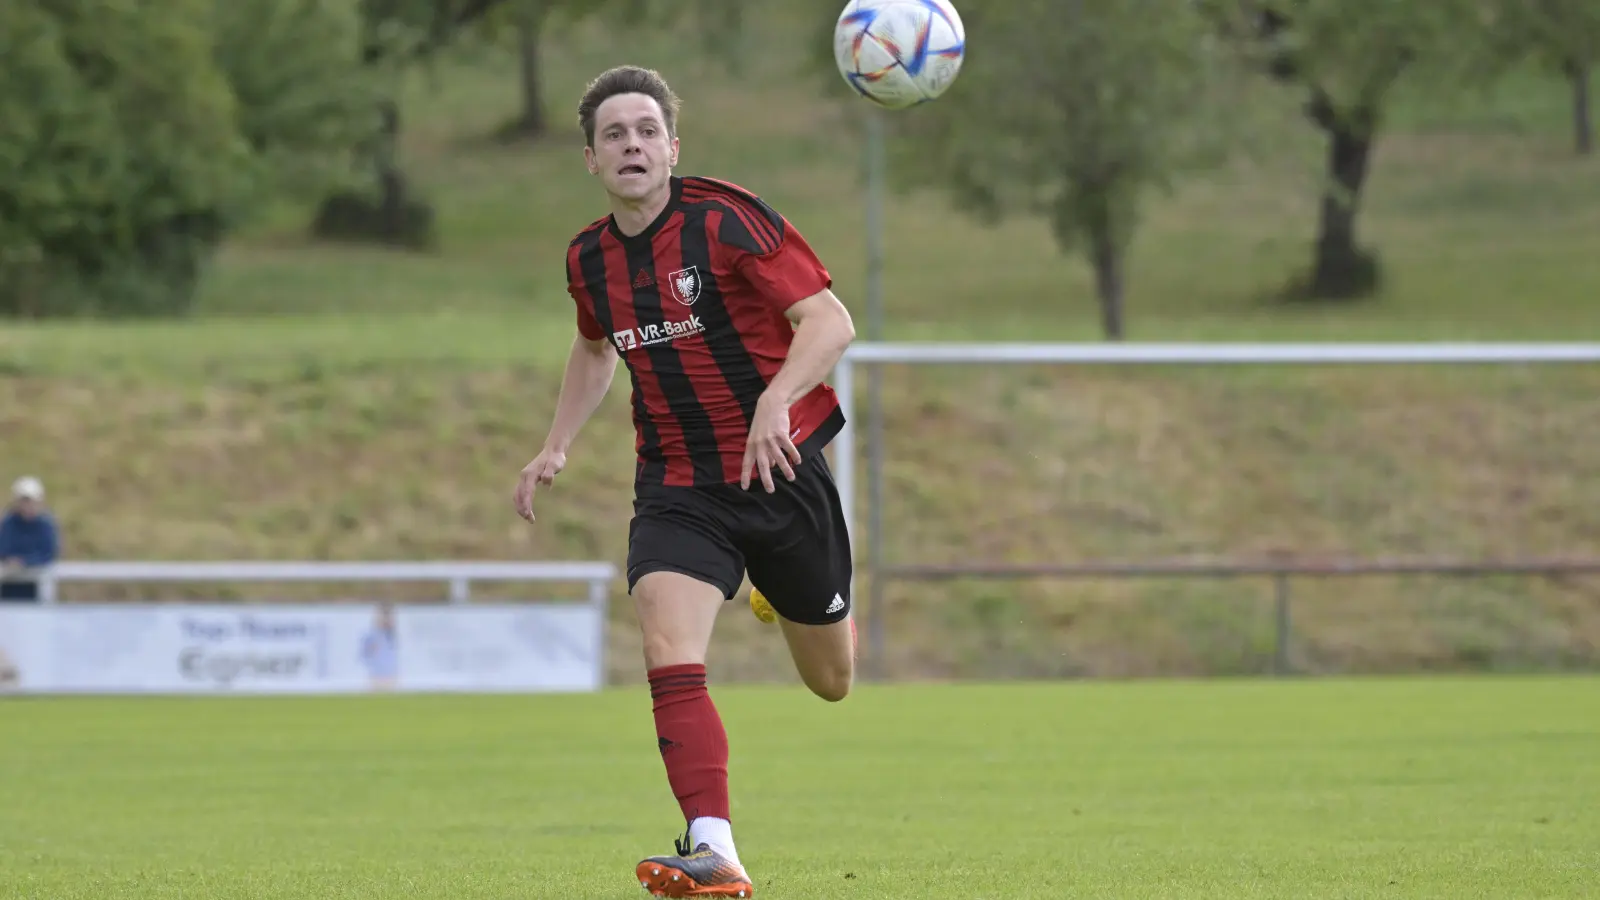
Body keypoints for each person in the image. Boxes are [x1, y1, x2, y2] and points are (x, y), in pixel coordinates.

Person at [512, 65, 858, 898]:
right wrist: (554, 443)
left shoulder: (727, 220)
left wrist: (776, 400)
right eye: (613, 134)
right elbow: (595, 349)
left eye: (645, 130)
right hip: (676, 487)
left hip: (780, 472)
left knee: (832, 681)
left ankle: (775, 591)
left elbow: (829, 322)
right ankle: (716, 851)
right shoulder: (589, 260)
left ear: (673, 145)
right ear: (591, 159)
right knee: (667, 648)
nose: (631, 144)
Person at [1, 476, 59, 602]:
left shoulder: (46, 524)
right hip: (8, 587)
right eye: (23, 501)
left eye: (30, 501)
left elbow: (48, 554)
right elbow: (3, 549)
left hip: (37, 589)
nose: (27, 505)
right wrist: (10, 561)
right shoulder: (8, 523)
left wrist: (25, 562)